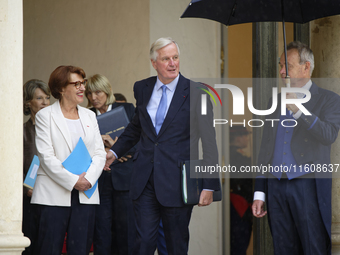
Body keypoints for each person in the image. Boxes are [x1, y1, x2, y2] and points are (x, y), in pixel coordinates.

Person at [105, 37, 220, 255]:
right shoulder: (142, 88)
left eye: (175, 57)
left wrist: (209, 184)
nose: (172, 63)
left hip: (178, 182)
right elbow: (136, 128)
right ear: (154, 62)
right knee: (143, 243)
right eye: (166, 59)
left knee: (175, 245)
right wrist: (113, 152)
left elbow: (209, 142)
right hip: (144, 179)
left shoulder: (198, 93)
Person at [252, 41, 340, 255]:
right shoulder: (275, 101)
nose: (282, 71)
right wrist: (260, 191)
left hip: (307, 186)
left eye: (287, 66)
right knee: (283, 250)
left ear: (306, 67)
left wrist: (299, 111)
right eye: (280, 65)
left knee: (313, 248)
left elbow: (328, 135)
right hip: (276, 187)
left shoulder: (329, 99)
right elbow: (265, 148)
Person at [31, 65, 106, 255]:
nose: (82, 88)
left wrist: (87, 180)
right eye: (76, 83)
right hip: (53, 195)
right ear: (61, 88)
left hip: (86, 194)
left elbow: (99, 153)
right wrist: (74, 181)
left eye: (83, 82)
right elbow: (46, 157)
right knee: (49, 249)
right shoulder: (44, 116)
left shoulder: (90, 115)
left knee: (80, 249)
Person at [85, 74, 136, 255]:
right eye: (89, 93)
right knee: (101, 233)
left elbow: (142, 143)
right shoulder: (86, 115)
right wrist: (98, 143)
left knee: (127, 232)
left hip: (125, 181)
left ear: (107, 92)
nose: (93, 97)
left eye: (98, 92)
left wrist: (117, 148)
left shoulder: (128, 109)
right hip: (99, 182)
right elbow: (79, 147)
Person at [22, 79, 50, 255]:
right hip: (30, 199)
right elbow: (10, 168)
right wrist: (26, 189)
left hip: (53, 197)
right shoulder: (21, 131)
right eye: (39, 98)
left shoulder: (55, 129)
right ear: (28, 103)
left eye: (47, 97)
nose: (45, 102)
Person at [229, 126, 252, 255]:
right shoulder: (239, 158)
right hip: (239, 209)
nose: (248, 139)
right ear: (238, 137)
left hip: (236, 208)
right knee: (239, 246)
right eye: (246, 135)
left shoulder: (229, 155)